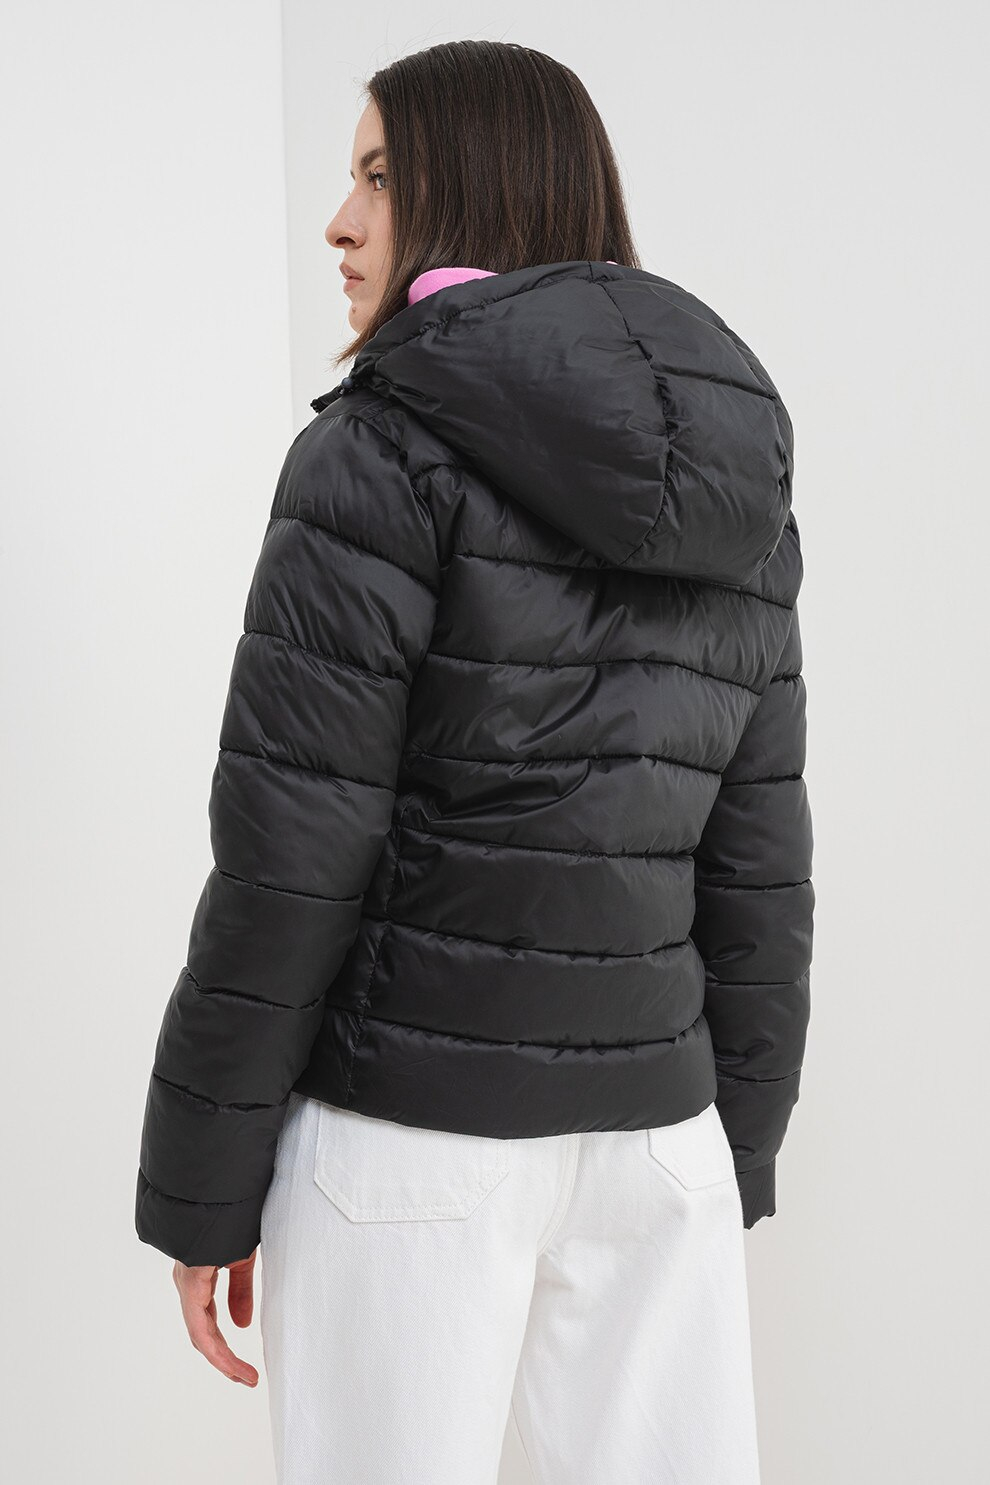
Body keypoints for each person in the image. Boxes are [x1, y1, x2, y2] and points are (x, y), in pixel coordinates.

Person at [135, 38, 814, 1485]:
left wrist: (205, 1187)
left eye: (379, 177)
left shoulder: (378, 453)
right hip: (660, 1139)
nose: (339, 222)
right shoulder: (740, 482)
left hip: (408, 1138)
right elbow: (757, 859)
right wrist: (729, 1145)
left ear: (477, 188)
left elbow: (291, 856)